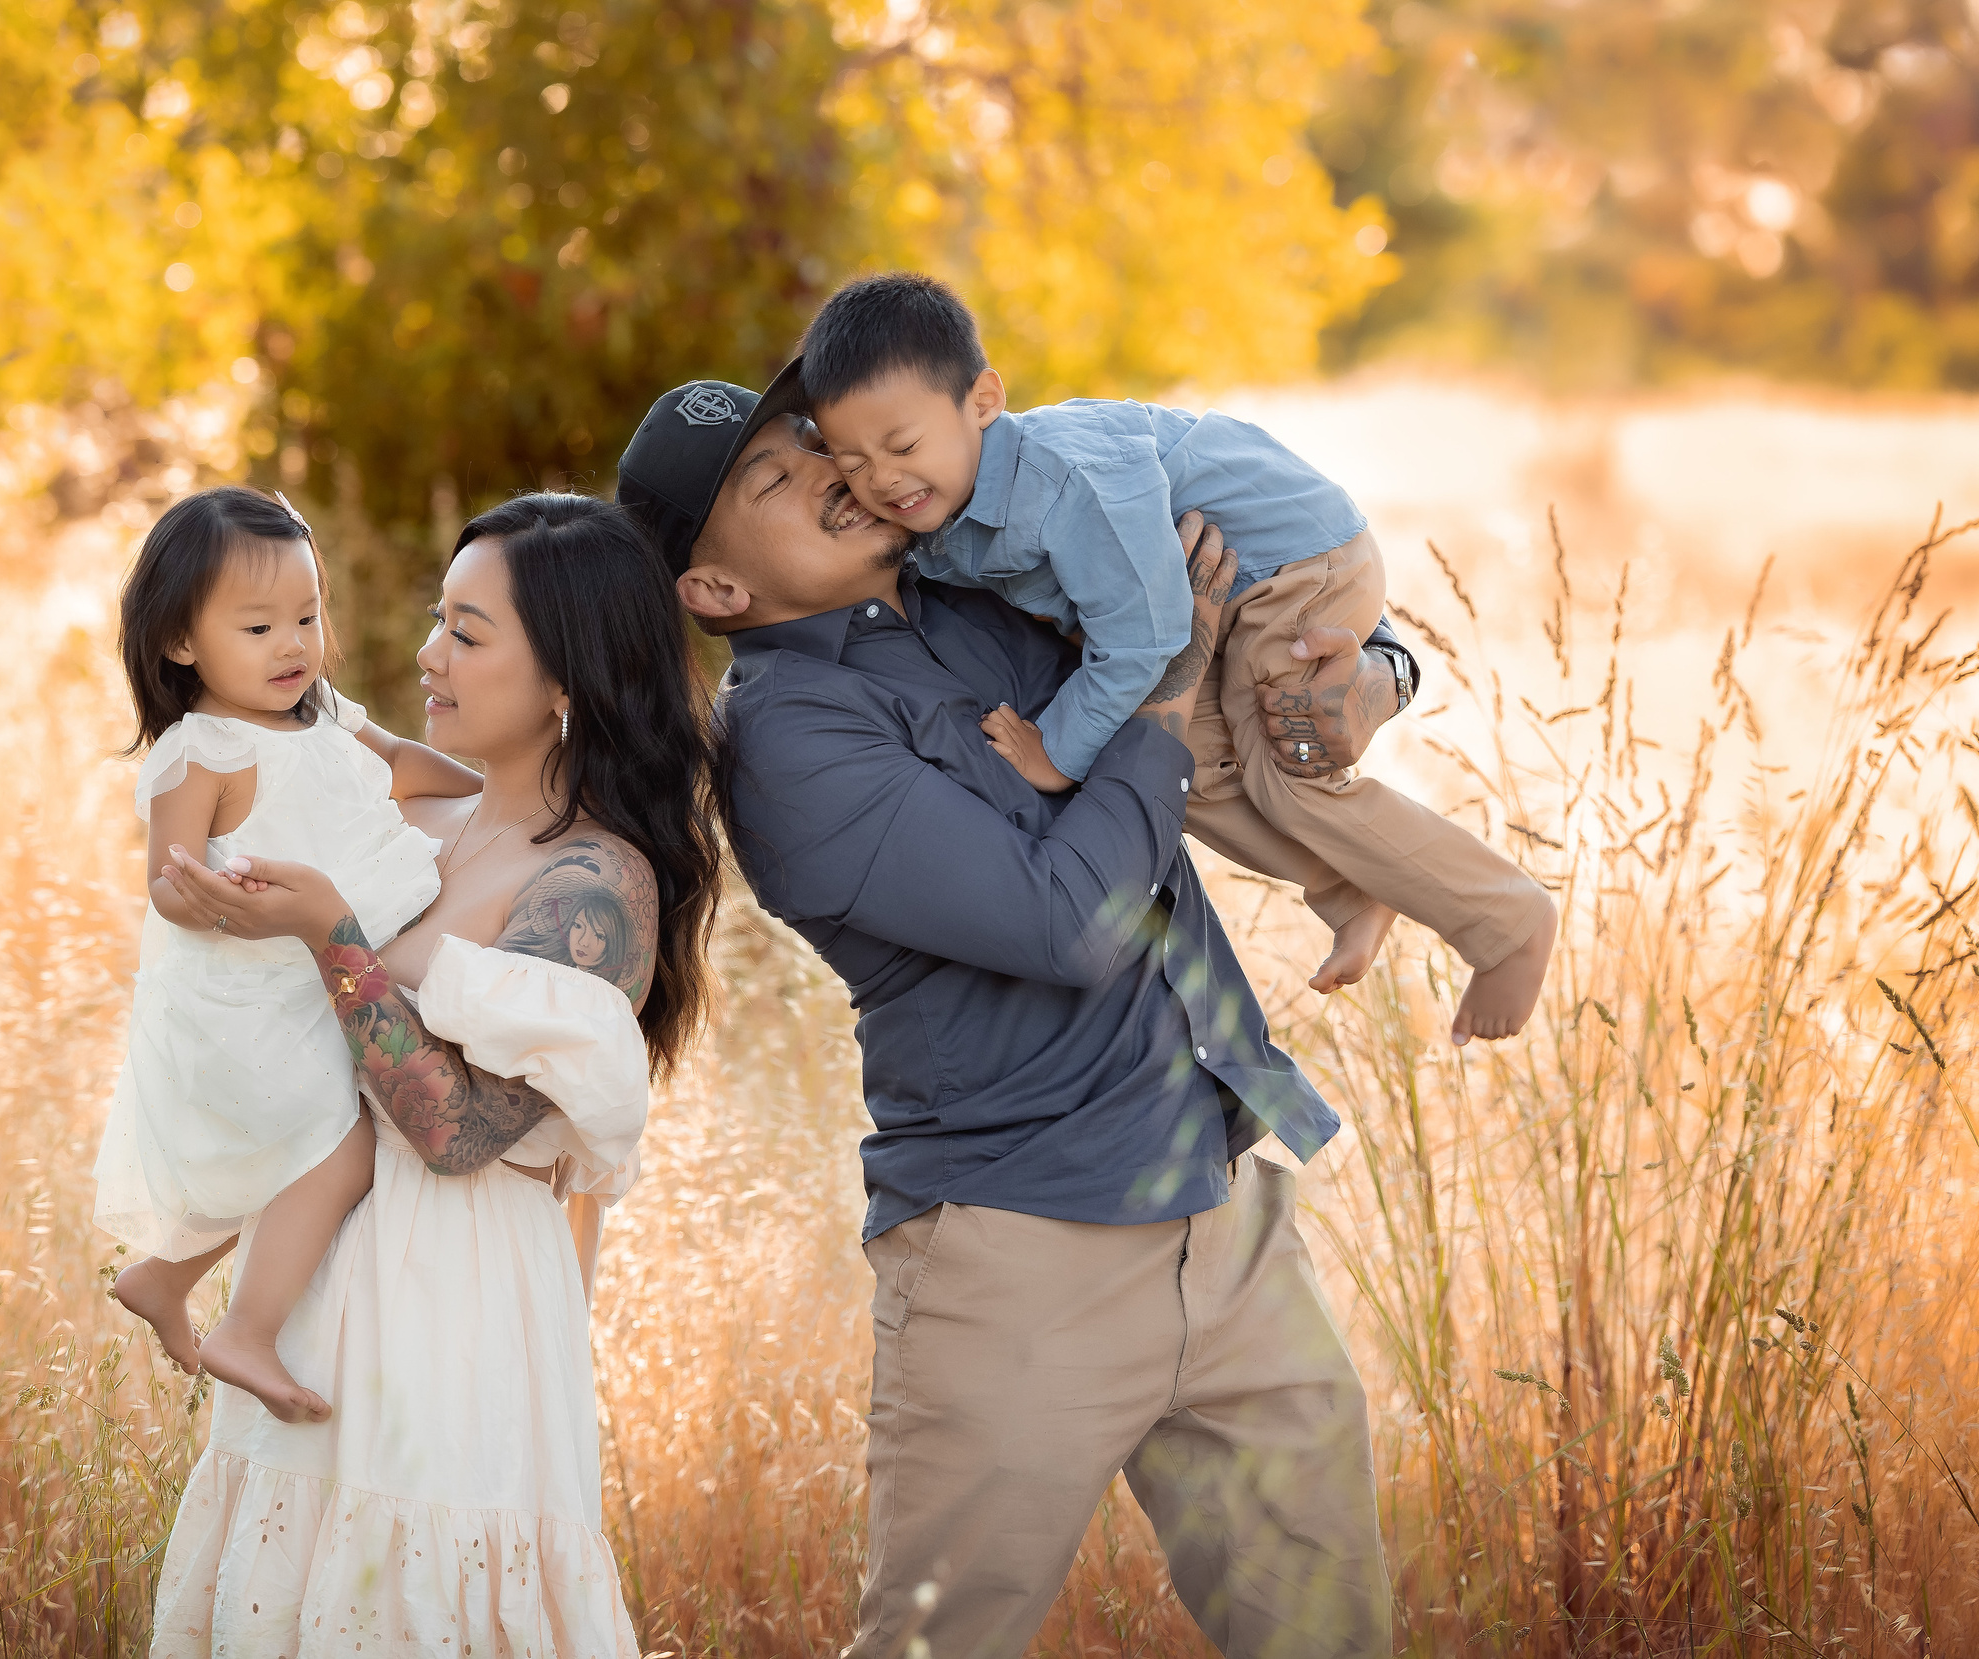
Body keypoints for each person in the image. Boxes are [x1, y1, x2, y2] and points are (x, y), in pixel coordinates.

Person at [617, 377, 1403, 1657]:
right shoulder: (788, 746)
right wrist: (1159, 686)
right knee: (942, 1646)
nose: (825, 470)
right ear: (714, 592)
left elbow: (1282, 580)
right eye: (769, 480)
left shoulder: (989, 563)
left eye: (812, 442)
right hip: (1017, 1249)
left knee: (1332, 1636)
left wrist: (1380, 668)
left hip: (1222, 1203)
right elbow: (1067, 927)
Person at [141, 493, 721, 1658]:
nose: (426, 654)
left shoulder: (594, 885)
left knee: (418, 1602)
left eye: (467, 631)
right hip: (319, 1295)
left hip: (452, 1311)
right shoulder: (427, 822)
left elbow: (457, 1134)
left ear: (568, 677)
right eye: (434, 619)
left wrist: (330, 935)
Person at [799, 272, 1556, 1044]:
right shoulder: (941, 500)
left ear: (984, 402)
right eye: (851, 461)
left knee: (1285, 767)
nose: (882, 478)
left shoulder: (1064, 487)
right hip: (1214, 597)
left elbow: (1146, 638)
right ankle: (1355, 881)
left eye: (902, 446)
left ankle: (1507, 919)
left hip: (1294, 559)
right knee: (1182, 767)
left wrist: (1053, 751)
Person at [94, 485, 479, 1423]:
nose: (293, 644)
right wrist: (230, 911)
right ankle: (246, 1331)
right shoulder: (204, 751)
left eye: (307, 616)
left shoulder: (327, 716)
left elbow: (402, 765)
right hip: (246, 993)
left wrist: (508, 786)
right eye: (259, 625)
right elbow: (166, 883)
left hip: (314, 976)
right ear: (182, 642)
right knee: (340, 1147)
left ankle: (162, 1277)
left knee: (296, 1146)